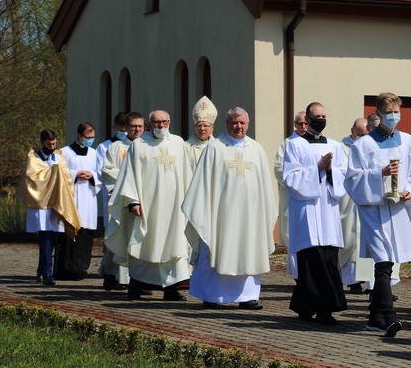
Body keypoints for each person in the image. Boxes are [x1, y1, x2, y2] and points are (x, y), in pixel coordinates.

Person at [345, 92, 411, 337]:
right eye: (388, 112)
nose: (393, 116)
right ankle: (389, 316)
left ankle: (375, 316)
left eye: (396, 112)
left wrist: (410, 191)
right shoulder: (363, 145)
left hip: (399, 210)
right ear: (379, 114)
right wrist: (378, 174)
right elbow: (352, 181)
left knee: (390, 261)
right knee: (382, 261)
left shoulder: (410, 142)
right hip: (374, 210)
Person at [183, 107, 277, 310]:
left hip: (251, 214)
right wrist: (204, 211)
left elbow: (264, 186)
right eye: (234, 122)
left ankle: (248, 296)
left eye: (242, 123)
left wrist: (264, 213)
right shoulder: (215, 148)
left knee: (249, 248)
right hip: (220, 215)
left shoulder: (256, 149)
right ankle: (212, 295)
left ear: (248, 125)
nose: (238, 126)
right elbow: (202, 184)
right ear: (227, 124)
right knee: (217, 247)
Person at [106, 110, 194, 301]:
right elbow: (128, 175)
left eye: (164, 122)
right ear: (150, 124)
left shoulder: (178, 143)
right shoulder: (139, 145)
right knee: (144, 243)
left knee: (174, 245)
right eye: (156, 122)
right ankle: (136, 286)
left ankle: (171, 290)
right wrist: (133, 201)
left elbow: (187, 174)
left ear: (169, 122)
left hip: (174, 208)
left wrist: (190, 201)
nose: (161, 126)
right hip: (148, 207)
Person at [283, 102, 348, 324]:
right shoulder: (294, 145)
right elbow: (290, 177)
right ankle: (307, 306)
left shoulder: (334, 145)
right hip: (308, 211)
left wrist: (330, 171)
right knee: (311, 258)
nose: (321, 119)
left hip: (328, 211)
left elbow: (344, 174)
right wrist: (317, 168)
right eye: (316, 116)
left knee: (328, 257)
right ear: (307, 120)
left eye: (324, 115)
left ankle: (325, 309)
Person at [22, 129, 82, 286]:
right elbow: (33, 179)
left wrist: (60, 176)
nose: (52, 146)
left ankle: (41, 269)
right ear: (42, 143)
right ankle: (48, 274)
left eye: (54, 143)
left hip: (57, 202)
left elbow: (67, 178)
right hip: (41, 204)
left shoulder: (59, 156)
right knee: (45, 238)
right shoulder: (33, 158)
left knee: (54, 238)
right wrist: (54, 174)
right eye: (49, 144)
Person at [99, 112, 145, 291]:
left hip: (141, 201)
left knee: (138, 239)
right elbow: (108, 171)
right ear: (126, 128)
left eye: (140, 126)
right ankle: (111, 273)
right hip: (121, 200)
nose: (137, 129)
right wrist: (130, 180)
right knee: (118, 235)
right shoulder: (116, 147)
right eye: (134, 126)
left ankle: (138, 278)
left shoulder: (148, 147)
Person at [56, 122, 101, 280]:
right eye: (87, 137)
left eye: (92, 137)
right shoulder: (64, 152)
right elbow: (58, 173)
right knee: (68, 232)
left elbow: (101, 173)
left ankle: (81, 268)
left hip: (88, 196)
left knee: (85, 233)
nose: (90, 140)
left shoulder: (94, 153)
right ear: (79, 136)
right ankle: (65, 269)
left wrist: (93, 176)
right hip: (72, 197)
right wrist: (75, 174)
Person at [339, 117, 371, 294]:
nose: (364, 137)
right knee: (351, 240)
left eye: (366, 133)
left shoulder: (370, 147)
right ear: (352, 131)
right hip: (348, 200)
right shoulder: (342, 148)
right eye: (360, 134)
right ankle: (351, 280)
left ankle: (366, 279)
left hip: (366, 199)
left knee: (364, 241)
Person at [273, 111, 307, 256]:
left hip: (310, 196)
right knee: (291, 231)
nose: (303, 126)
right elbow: (279, 168)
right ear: (295, 124)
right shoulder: (286, 144)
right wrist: (299, 180)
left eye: (306, 123)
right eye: (300, 123)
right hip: (292, 195)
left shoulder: (314, 143)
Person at [95, 112, 127, 232]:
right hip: (112, 191)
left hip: (131, 191)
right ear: (114, 128)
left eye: (126, 130)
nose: (124, 133)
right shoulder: (104, 147)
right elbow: (101, 172)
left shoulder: (135, 145)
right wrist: (125, 175)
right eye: (121, 130)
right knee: (113, 226)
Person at [185, 96, 217, 168]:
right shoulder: (186, 147)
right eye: (199, 126)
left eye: (205, 126)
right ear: (195, 127)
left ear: (212, 128)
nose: (202, 128)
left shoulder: (217, 147)